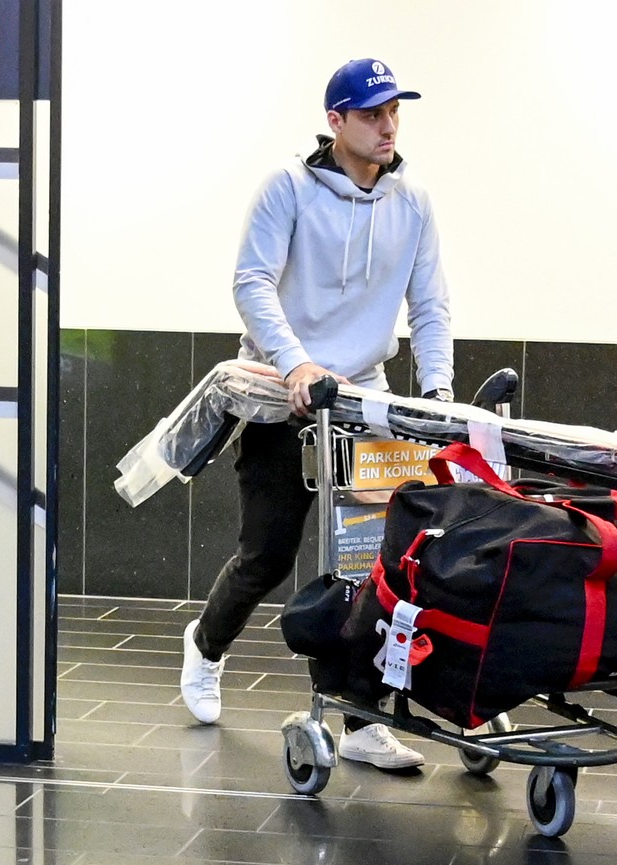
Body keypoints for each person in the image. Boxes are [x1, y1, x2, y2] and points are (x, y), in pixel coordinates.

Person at [180, 58, 454, 771]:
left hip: (362, 400)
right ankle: (206, 646)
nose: (388, 125)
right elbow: (252, 282)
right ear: (336, 122)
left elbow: (429, 304)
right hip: (283, 391)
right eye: (371, 113)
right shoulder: (288, 189)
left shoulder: (413, 202)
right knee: (268, 552)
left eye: (394, 111)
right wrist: (297, 361)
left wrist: (440, 393)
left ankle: (356, 714)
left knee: (365, 564)